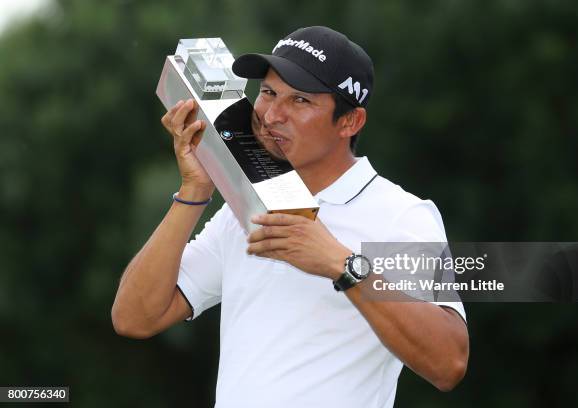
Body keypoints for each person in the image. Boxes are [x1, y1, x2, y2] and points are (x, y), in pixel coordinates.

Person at [112, 26, 469, 408]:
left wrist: (342, 265)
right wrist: (195, 191)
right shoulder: (243, 207)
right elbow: (135, 317)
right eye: (267, 93)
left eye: (299, 100)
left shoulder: (400, 215)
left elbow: (448, 362)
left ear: (350, 122)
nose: (271, 115)